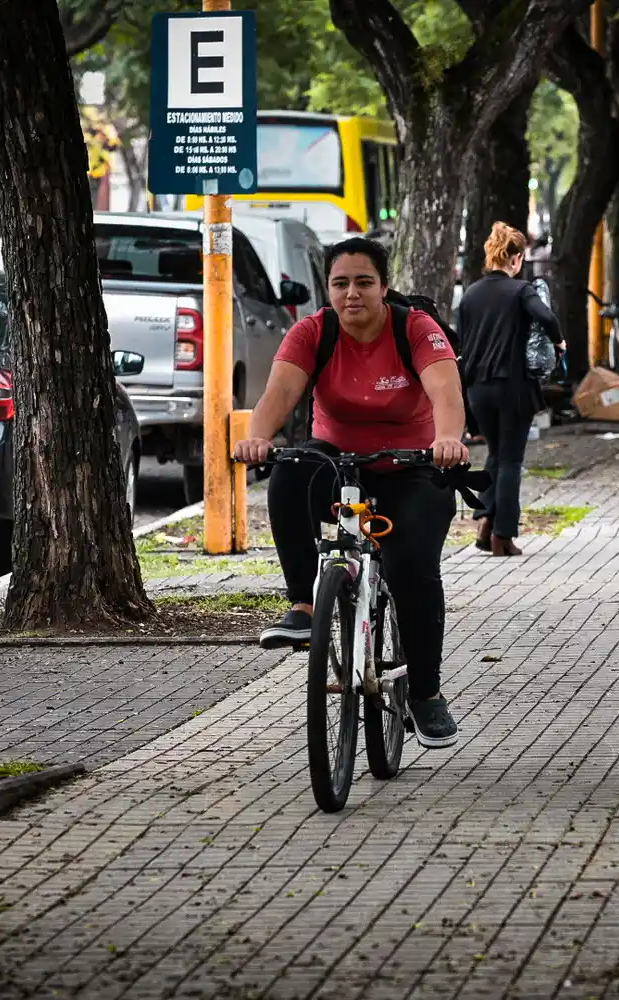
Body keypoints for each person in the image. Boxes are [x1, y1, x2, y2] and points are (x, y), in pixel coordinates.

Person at [231, 237, 469, 748]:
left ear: (384, 288)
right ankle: (303, 604)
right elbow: (280, 394)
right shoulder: (313, 332)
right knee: (289, 477)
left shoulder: (414, 329)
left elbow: (446, 392)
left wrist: (447, 439)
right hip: (337, 464)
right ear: (328, 289)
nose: (352, 293)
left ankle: (426, 695)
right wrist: (258, 437)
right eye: (341, 283)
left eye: (364, 282)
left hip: (413, 467)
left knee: (411, 568)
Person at [456, 222, 561, 556]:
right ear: (514, 257)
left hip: (477, 390)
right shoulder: (521, 291)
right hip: (513, 386)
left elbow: (462, 340)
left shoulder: (470, 294)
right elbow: (546, 317)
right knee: (511, 460)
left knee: (496, 454)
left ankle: (485, 523)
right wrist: (558, 341)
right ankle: (503, 534)